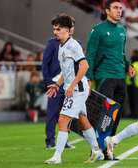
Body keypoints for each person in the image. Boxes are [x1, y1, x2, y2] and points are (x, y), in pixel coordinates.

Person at [44, 14, 103, 164]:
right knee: (83, 121)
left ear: (68, 30)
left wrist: (71, 86)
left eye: (58, 29)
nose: (55, 32)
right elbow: (65, 71)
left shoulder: (73, 45)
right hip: (74, 88)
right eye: (54, 29)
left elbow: (84, 66)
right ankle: (97, 151)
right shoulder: (61, 46)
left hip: (77, 89)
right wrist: (57, 85)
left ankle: (57, 157)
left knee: (62, 120)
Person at [85, 0, 135, 158]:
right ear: (107, 11)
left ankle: (108, 149)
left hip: (121, 77)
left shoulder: (122, 30)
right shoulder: (98, 30)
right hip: (105, 76)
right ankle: (95, 149)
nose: (119, 11)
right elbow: (90, 55)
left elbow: (121, 53)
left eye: (121, 8)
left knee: (116, 115)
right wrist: (88, 77)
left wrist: (128, 66)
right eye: (115, 8)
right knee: (103, 115)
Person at [42, 13, 75, 150]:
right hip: (55, 85)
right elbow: (45, 64)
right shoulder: (52, 43)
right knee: (52, 114)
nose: (71, 28)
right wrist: (49, 82)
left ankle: (64, 140)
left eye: (72, 26)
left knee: (67, 114)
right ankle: (50, 140)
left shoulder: (75, 44)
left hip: (68, 85)